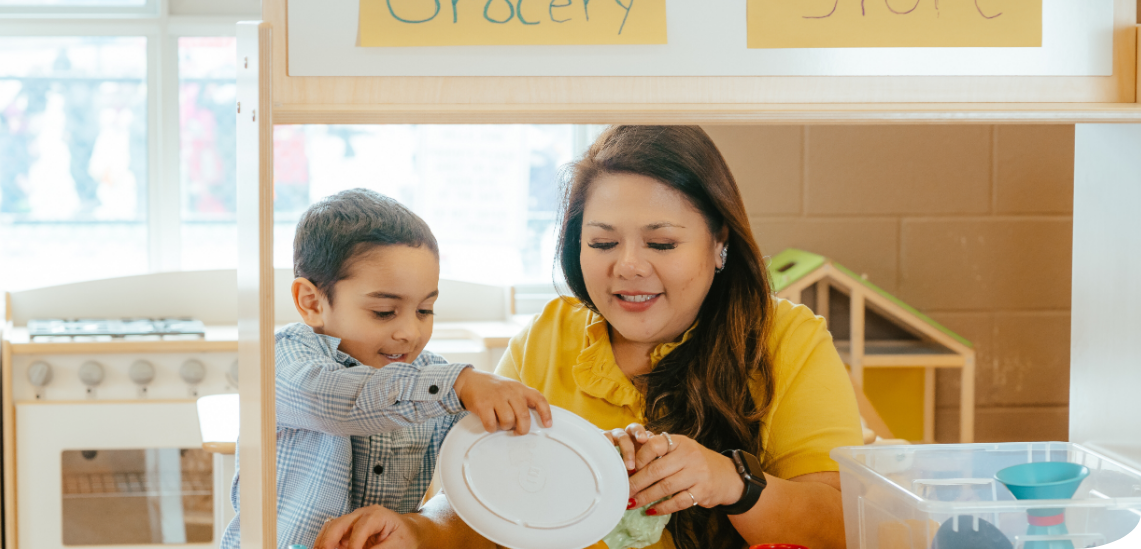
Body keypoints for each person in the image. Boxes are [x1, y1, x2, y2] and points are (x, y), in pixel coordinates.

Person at [313, 127, 863, 549]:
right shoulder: (548, 335)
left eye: (662, 244)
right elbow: (476, 504)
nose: (628, 267)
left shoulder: (787, 340)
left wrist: (731, 480)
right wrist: (414, 532)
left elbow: (843, 524)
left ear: (720, 244)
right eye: (602, 243)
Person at [219, 189, 552, 549]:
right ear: (311, 302)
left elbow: (492, 456)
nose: (410, 332)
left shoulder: (431, 379)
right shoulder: (284, 360)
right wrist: (459, 384)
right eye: (383, 312)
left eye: (425, 310)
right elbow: (335, 400)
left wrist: (595, 449)